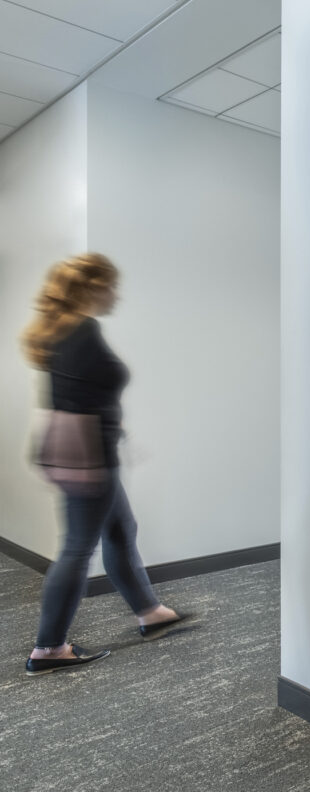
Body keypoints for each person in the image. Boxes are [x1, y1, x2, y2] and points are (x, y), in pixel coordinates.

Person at [20, 253, 186, 676]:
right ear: (92, 287)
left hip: (78, 451)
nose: (116, 294)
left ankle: (149, 611)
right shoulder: (84, 329)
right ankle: (49, 648)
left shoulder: (58, 330)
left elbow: (76, 395)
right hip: (90, 456)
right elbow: (90, 393)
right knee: (78, 548)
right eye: (111, 285)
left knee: (120, 529)